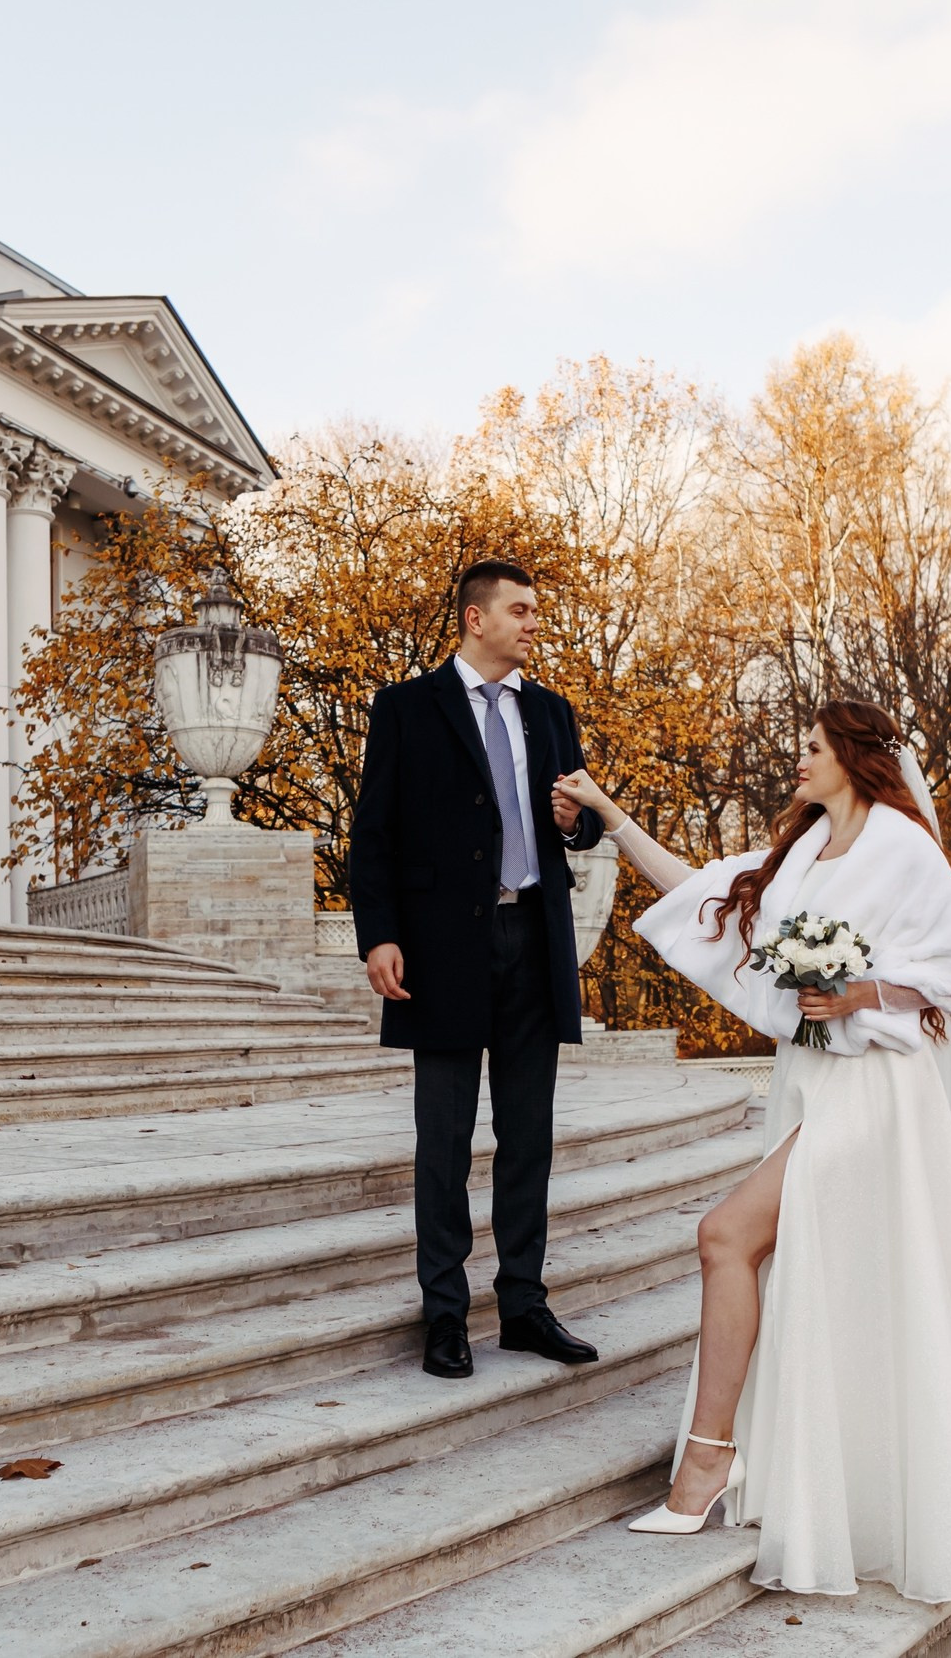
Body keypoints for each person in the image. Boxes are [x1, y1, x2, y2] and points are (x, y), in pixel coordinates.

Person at [551, 702, 951, 1606]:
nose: (800, 762)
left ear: (852, 756)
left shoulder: (905, 848)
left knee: (725, 1235)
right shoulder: (804, 851)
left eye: (813, 748)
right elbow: (702, 894)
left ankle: (703, 1475)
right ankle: (763, 1475)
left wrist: (861, 992)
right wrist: (614, 819)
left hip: (879, 1099)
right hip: (817, 1087)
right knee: (783, 1262)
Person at [349, 560, 606, 1382]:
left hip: (535, 937)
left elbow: (583, 827)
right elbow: (373, 834)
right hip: (441, 948)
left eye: (535, 610)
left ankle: (524, 1305)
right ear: (474, 618)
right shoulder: (405, 708)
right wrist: (378, 935)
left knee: (529, 1136)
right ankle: (446, 1314)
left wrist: (575, 825)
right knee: (444, 1143)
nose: (534, 622)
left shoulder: (552, 711)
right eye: (520, 609)